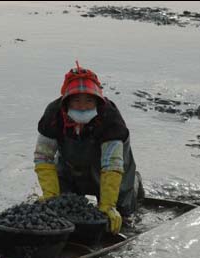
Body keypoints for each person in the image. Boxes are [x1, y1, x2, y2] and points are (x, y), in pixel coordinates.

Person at [34, 61, 143, 234]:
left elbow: (112, 164)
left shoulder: (109, 118)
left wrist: (108, 205)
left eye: (89, 100)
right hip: (70, 164)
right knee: (61, 207)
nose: (83, 106)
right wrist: (50, 194)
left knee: (121, 211)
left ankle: (134, 184)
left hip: (109, 167)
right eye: (76, 100)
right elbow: (43, 157)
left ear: (97, 101)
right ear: (66, 101)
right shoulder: (54, 115)